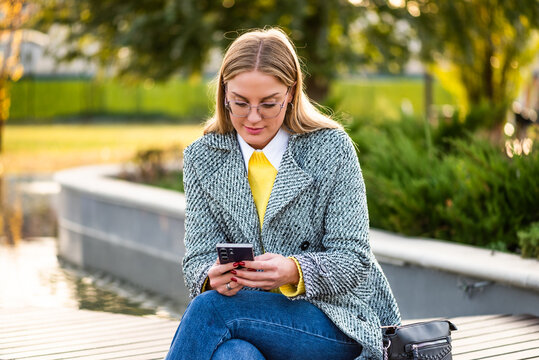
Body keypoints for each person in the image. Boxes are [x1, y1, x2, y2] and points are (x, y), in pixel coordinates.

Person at [165, 28, 400, 360]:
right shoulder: (203, 157)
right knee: (234, 355)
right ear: (224, 93)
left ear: (291, 93)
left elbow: (354, 260)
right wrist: (211, 277)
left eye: (269, 104)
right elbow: (197, 260)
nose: (254, 117)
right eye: (241, 103)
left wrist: (295, 271)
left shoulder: (330, 149)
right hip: (246, 316)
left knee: (212, 310)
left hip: (335, 319)